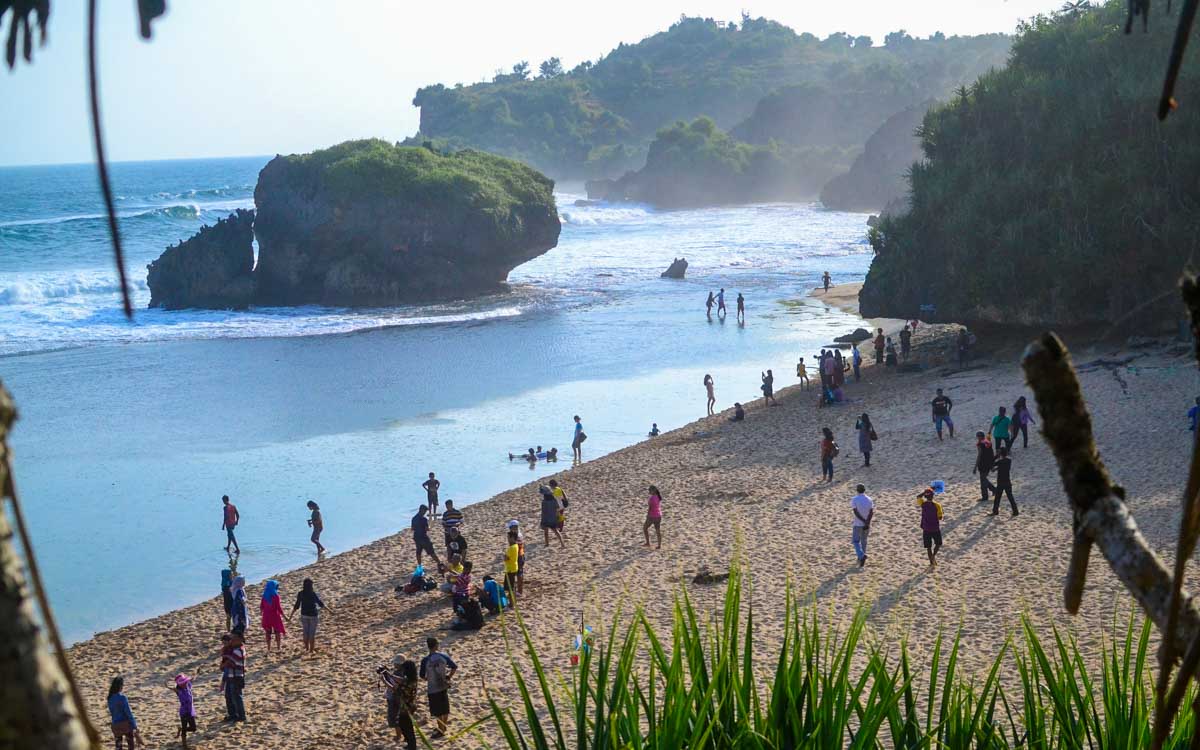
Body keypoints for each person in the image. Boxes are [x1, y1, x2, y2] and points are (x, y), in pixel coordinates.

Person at [420, 637, 458, 738]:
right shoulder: (443, 656)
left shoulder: (425, 660)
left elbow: (422, 676)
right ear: (436, 645)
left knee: (437, 711)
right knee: (445, 708)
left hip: (432, 688)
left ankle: (441, 729)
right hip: (443, 685)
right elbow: (454, 667)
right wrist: (448, 677)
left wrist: (429, 678)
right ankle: (443, 727)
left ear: (428, 647)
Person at [382, 657, 419, 750]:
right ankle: (410, 744)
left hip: (406, 708)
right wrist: (388, 674)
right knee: (404, 725)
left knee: (407, 728)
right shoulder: (412, 679)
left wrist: (384, 681)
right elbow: (399, 680)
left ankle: (412, 746)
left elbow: (394, 688)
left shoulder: (408, 682)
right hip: (410, 706)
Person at [288, 577, 332, 654]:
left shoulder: (300, 593)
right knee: (312, 633)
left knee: (305, 632)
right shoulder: (312, 593)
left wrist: (291, 616)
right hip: (313, 615)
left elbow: (297, 605)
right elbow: (320, 603)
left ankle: (307, 648)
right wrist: (329, 610)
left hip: (304, 615)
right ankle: (311, 650)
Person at [219, 631, 247, 722]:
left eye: (234, 638)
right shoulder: (233, 649)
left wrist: (224, 660)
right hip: (230, 676)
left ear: (239, 639)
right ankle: (232, 714)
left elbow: (232, 661)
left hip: (237, 676)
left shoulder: (239, 650)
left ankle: (241, 716)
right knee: (228, 696)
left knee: (236, 696)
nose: (232, 640)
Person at [107, 676, 141, 748]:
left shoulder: (110, 698)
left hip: (115, 725)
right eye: (122, 685)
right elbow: (128, 713)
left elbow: (112, 713)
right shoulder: (122, 698)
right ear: (120, 686)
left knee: (118, 746)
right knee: (131, 745)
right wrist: (135, 726)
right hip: (125, 725)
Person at [916, 488, 943, 567]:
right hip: (935, 528)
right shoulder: (937, 505)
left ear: (925, 497)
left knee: (928, 547)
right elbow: (940, 517)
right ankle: (933, 556)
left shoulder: (923, 504)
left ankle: (931, 562)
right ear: (933, 496)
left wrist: (924, 493)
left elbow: (918, 497)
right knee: (938, 544)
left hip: (926, 528)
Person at [989, 446, 1019, 517]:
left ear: (1001, 453)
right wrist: (997, 468)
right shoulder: (1009, 461)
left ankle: (995, 511)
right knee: (1010, 497)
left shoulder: (1000, 461)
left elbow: (991, 463)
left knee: (997, 498)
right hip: (1007, 481)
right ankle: (1015, 511)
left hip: (1001, 481)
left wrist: (996, 456)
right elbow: (1003, 466)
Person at [411, 505, 442, 570]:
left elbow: (412, 528)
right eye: (425, 511)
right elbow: (427, 529)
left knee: (418, 552)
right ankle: (439, 563)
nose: (425, 512)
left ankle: (419, 565)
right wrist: (431, 525)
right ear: (422, 510)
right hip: (424, 538)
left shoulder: (414, 518)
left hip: (417, 537)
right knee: (431, 552)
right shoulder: (424, 519)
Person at [170, 673, 197, 747]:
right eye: (183, 683)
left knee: (193, 728)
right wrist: (167, 686)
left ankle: (181, 729)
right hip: (184, 712)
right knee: (184, 730)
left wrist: (197, 673)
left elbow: (192, 679)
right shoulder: (179, 691)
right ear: (179, 685)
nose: (185, 683)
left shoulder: (188, 686)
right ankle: (184, 745)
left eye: (185, 682)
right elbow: (173, 689)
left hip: (190, 711)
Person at [260, 579, 286, 652]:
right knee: (277, 632)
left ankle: (268, 648)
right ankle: (278, 647)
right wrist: (285, 616)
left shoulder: (264, 595)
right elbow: (279, 608)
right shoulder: (276, 596)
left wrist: (262, 613)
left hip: (266, 616)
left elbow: (261, 607)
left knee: (268, 632)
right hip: (275, 616)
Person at [851, 484, 874, 568]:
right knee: (864, 541)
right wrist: (867, 522)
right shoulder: (869, 499)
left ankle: (861, 556)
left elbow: (856, 513)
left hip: (858, 524)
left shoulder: (854, 499)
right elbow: (871, 512)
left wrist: (863, 521)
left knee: (855, 541)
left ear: (857, 490)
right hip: (867, 524)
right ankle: (861, 559)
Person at [973, 432, 996, 503]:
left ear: (979, 437)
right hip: (989, 462)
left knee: (983, 480)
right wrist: (992, 464)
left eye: (977, 436)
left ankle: (985, 496)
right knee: (984, 479)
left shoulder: (980, 444)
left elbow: (979, 455)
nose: (977, 438)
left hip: (983, 463)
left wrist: (975, 466)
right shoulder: (988, 442)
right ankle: (994, 490)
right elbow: (991, 453)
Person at [643, 484, 663, 549]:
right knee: (658, 531)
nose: (649, 491)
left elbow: (650, 508)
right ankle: (659, 545)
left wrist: (648, 515)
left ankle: (648, 543)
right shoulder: (658, 497)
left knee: (645, 528)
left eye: (650, 490)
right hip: (658, 515)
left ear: (653, 491)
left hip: (652, 516)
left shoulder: (651, 498)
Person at [504, 529, 521, 600]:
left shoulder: (511, 548)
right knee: (512, 586)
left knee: (510, 587)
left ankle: (512, 601)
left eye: (509, 538)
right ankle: (512, 599)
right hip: (513, 568)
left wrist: (504, 556)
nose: (508, 540)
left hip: (510, 569)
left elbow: (506, 558)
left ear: (513, 538)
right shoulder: (516, 546)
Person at [221, 568, 234, 632]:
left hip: (231, 602)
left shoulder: (229, 582)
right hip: (228, 603)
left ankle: (231, 629)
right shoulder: (226, 584)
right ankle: (228, 630)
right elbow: (228, 594)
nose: (232, 575)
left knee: (231, 616)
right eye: (230, 574)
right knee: (229, 616)